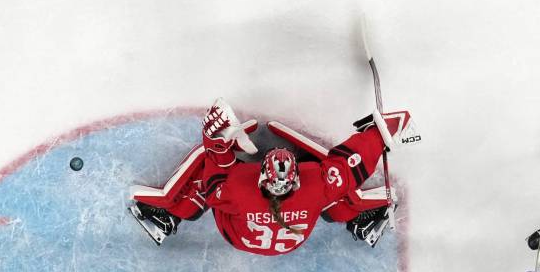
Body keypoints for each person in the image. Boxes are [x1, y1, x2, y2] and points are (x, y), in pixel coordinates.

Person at [128, 98, 418, 254]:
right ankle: (361, 219)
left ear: (261, 178)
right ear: (295, 180)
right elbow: (350, 166)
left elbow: (214, 172)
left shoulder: (237, 192)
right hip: (291, 240)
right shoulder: (316, 186)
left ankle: (167, 215)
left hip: (239, 237)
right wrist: (383, 132)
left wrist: (217, 141)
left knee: (204, 179)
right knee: (335, 195)